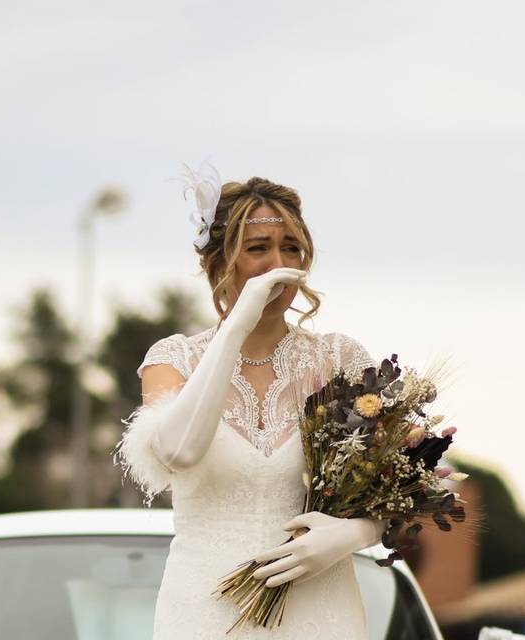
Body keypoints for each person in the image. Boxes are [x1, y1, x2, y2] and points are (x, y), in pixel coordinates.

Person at [114, 162, 386, 639]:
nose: (277, 263)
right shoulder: (173, 359)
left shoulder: (340, 359)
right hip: (204, 610)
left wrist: (357, 534)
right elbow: (179, 452)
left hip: (321, 611)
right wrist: (237, 324)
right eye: (258, 249)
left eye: (291, 249)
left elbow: (406, 488)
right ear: (219, 263)